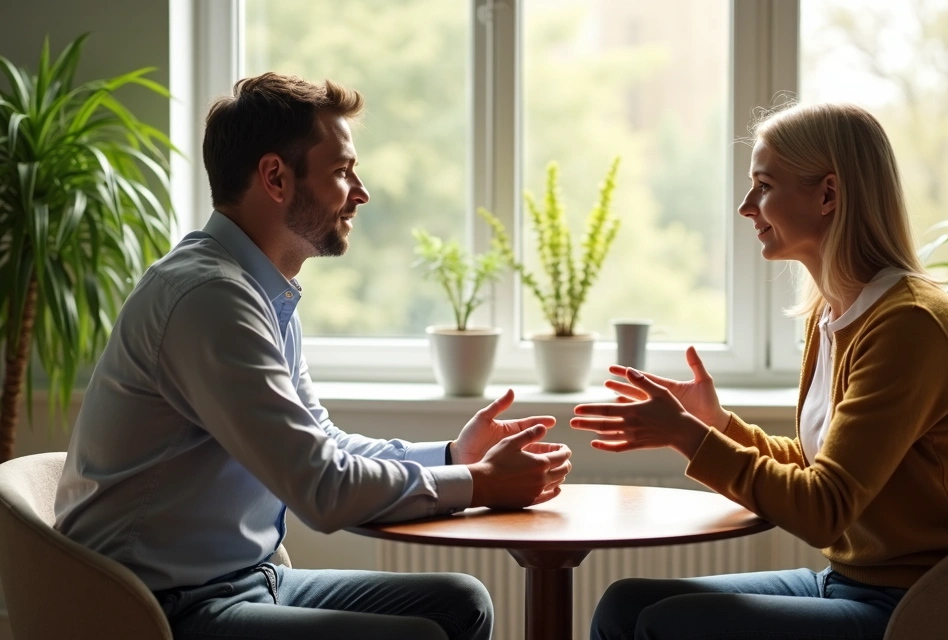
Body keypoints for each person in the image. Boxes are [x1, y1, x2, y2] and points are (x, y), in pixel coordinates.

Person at [54, 72, 572, 640]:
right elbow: (322, 490)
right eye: (342, 171)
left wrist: (452, 455)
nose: (361, 191)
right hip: (158, 609)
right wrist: (480, 483)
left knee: (459, 604)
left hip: (245, 581)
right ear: (275, 177)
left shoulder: (263, 294)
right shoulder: (209, 299)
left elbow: (322, 444)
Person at [572, 102, 948, 640]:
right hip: (848, 582)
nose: (745, 207)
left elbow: (823, 507)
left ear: (828, 194)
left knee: (670, 625)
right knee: (624, 605)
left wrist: (687, 436)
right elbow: (817, 467)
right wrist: (717, 425)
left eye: (762, 185)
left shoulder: (909, 323)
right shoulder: (836, 312)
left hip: (923, 604)